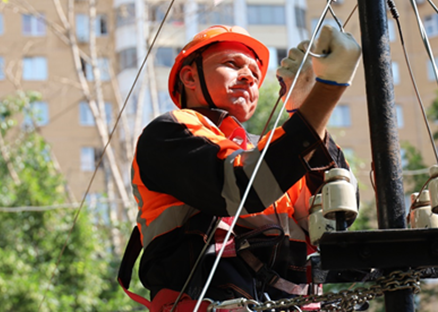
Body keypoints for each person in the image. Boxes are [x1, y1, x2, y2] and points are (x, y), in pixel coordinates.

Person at [119, 24, 361, 311]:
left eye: (256, 75)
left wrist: (306, 108)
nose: (248, 77)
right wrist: (327, 91)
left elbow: (333, 217)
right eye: (232, 64)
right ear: (190, 76)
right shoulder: (168, 135)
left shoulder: (271, 153)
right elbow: (241, 187)